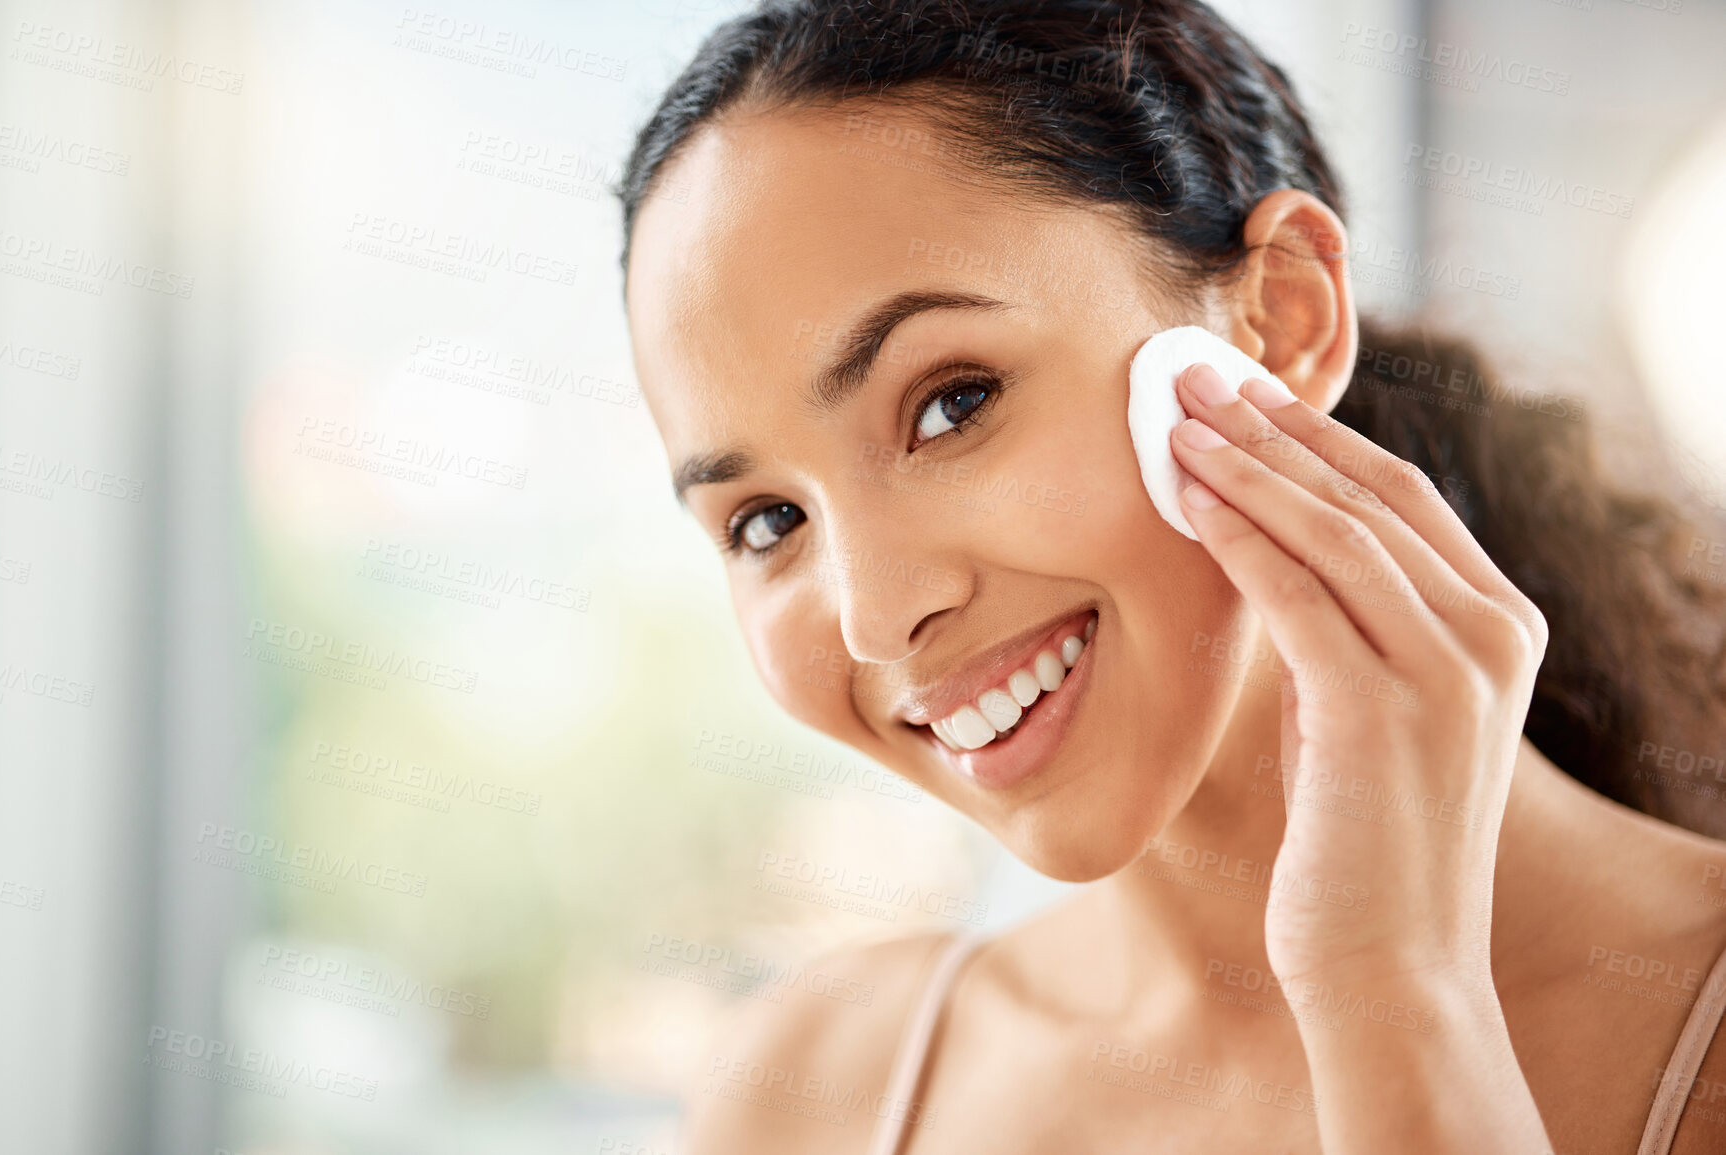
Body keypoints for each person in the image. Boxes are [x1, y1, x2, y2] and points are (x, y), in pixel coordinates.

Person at [616, 2, 1726, 1150]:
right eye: (764, 521)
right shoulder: (811, 1092)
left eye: (952, 403)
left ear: (1279, 319)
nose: (878, 615)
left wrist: (1395, 992)